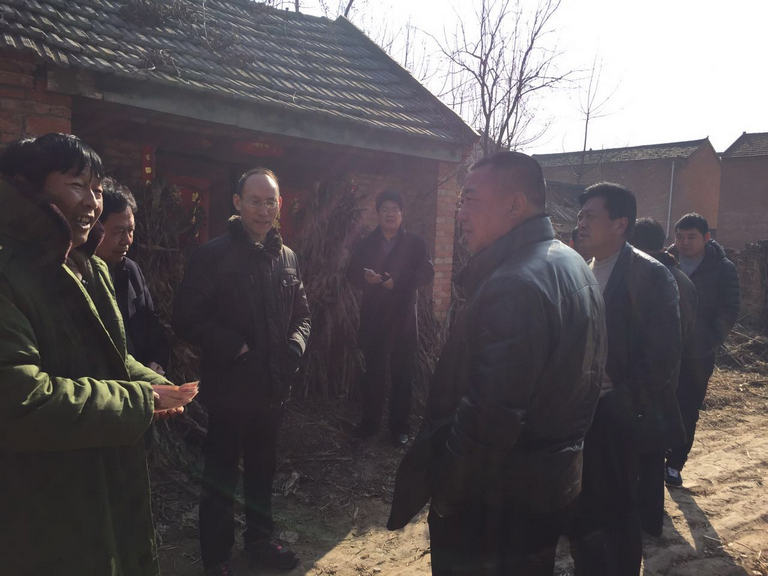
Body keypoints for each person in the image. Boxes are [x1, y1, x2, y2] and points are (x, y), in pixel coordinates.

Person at [388, 151, 606, 575]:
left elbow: (489, 419)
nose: (460, 214)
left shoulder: (516, 284)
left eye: (470, 200)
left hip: (496, 504)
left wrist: (448, 495)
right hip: (547, 489)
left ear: (514, 205)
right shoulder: (571, 263)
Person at [0, 133, 192, 575]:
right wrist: (139, 401)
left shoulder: (90, 266)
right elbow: (21, 401)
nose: (92, 202)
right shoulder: (10, 274)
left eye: (98, 189)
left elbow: (112, 354)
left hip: (103, 478)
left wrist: (154, 384)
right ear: (31, 187)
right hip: (40, 497)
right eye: (76, 186)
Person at [173, 167, 311, 576]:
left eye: (270, 202)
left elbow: (303, 315)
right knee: (221, 475)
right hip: (229, 388)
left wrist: (295, 347)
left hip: (272, 388)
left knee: (262, 470)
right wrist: (234, 345)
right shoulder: (213, 256)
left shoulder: (287, 258)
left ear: (279, 204)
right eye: (255, 201)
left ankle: (260, 542)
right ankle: (216, 557)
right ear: (237, 203)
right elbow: (186, 318)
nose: (264, 210)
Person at [572, 184, 682, 575]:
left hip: (619, 417)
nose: (580, 223)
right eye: (580, 215)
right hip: (581, 415)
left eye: (590, 216)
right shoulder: (581, 268)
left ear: (620, 224)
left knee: (617, 510)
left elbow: (663, 356)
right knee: (584, 509)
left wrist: (620, 396)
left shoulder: (649, 275)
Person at [347, 190, 434, 446]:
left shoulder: (416, 244)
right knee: (373, 373)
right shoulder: (366, 243)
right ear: (378, 213)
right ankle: (369, 423)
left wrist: (398, 282)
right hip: (374, 318)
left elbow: (426, 273)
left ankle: (399, 428)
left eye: (395, 209)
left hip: (403, 319)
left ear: (402, 214)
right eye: (385, 209)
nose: (390, 214)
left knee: (402, 374)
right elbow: (351, 273)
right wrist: (365, 277)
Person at [631, 217, 696, 536]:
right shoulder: (681, 278)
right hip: (669, 378)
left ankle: (643, 519)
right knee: (652, 453)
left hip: (647, 380)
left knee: (640, 452)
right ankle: (651, 519)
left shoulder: (649, 278)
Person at [666, 212, 739, 487]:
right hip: (665, 349)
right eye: (680, 237)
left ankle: (674, 464)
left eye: (691, 237)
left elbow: (729, 309)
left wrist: (709, 339)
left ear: (706, 238)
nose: (684, 242)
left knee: (688, 407)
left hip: (698, 354)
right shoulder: (665, 261)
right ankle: (654, 456)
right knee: (660, 404)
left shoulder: (722, 268)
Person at [96, 177, 170, 374]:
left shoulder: (131, 270)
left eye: (130, 231)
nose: (127, 240)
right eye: (118, 231)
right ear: (95, 226)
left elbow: (152, 325)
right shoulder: (82, 274)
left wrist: (156, 361)